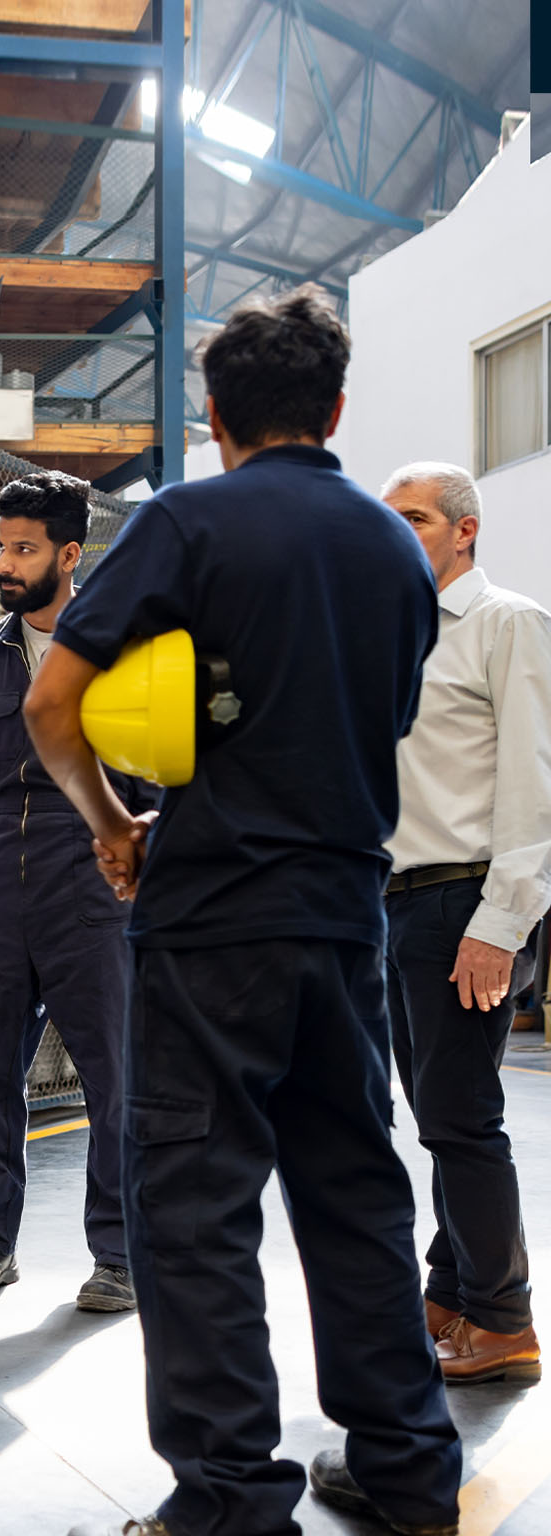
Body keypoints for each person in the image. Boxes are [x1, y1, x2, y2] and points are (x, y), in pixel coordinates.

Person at [24, 288, 462, 1536]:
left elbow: (55, 706)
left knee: (199, 1209)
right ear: (334, 409)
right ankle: (407, 1468)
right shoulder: (394, 548)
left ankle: (228, 1499)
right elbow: (381, 716)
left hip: (212, 919)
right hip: (345, 918)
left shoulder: (185, 524)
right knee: (359, 1196)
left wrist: (115, 826)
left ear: (215, 417)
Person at [0, 472, 137, 1313]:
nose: (7, 564)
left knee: (112, 1077)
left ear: (68, 553)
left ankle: (121, 1255)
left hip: (92, 875)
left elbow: (146, 776)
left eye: (25, 549)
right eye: (2, 546)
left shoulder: (124, 653)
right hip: (0, 874)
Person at [379, 461, 549, 1385]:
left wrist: (502, 922)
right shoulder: (400, 638)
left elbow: (536, 784)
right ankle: (451, 1291)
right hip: (404, 905)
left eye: (413, 518)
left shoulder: (505, 623)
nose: (395, 532)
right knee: (439, 1117)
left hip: (464, 903)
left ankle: (505, 1321)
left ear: (464, 530)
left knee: (464, 1122)